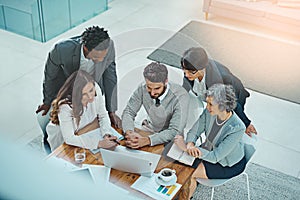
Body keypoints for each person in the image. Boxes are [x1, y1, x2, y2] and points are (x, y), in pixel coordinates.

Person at [36, 26, 121, 150]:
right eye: (97, 57)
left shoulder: (108, 46)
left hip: (91, 88)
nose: (101, 60)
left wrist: (111, 110)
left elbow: (110, 77)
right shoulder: (61, 50)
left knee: (85, 123)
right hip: (69, 90)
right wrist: (47, 101)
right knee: (61, 128)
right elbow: (50, 77)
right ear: (86, 48)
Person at [174, 84, 247, 199]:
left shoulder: (237, 128)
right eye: (207, 103)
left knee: (188, 174)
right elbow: (194, 131)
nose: (207, 107)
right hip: (207, 151)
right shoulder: (209, 112)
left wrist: (186, 148)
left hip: (226, 164)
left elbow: (215, 157)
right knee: (178, 166)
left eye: (211, 104)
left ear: (223, 106)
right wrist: (189, 144)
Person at [181, 47, 257, 136]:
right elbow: (184, 89)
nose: (186, 74)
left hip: (234, 94)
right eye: (184, 70)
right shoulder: (189, 67)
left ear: (202, 67)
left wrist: (246, 123)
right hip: (209, 94)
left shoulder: (221, 78)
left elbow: (233, 104)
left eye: (190, 72)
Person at [46, 70, 119, 151]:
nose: (91, 97)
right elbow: (69, 139)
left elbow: (103, 115)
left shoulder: (94, 87)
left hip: (84, 130)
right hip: (63, 137)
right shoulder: (65, 107)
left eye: (91, 90)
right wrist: (99, 143)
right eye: (84, 94)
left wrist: (106, 134)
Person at [122, 62, 189, 149]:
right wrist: (129, 132)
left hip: (170, 138)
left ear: (166, 81)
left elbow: (175, 131)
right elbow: (129, 112)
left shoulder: (181, 95)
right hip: (149, 129)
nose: (152, 93)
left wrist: (148, 140)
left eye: (157, 88)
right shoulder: (142, 88)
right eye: (149, 87)